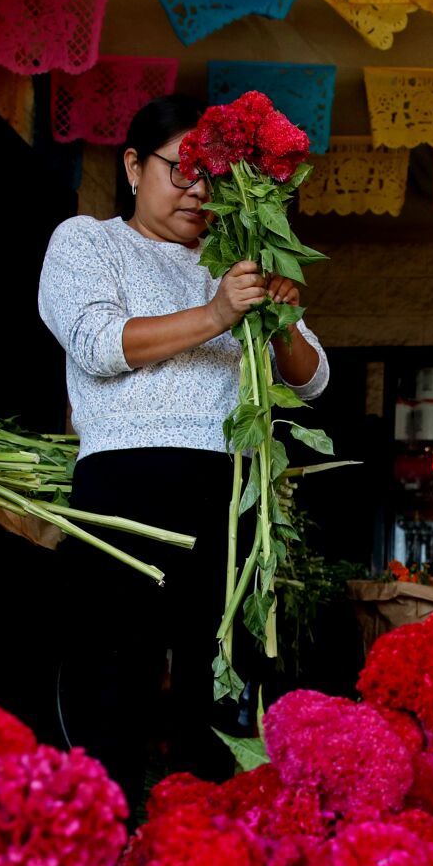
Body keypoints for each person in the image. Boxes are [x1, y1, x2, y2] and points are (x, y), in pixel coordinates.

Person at [36, 94, 329, 802]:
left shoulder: (232, 260)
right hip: (124, 493)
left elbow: (313, 377)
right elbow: (99, 343)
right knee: (115, 689)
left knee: (219, 695)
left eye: (215, 178)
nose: (199, 191)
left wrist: (281, 318)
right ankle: (105, 855)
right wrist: (217, 313)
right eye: (182, 170)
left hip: (230, 500)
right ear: (134, 166)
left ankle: (207, 856)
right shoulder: (87, 241)